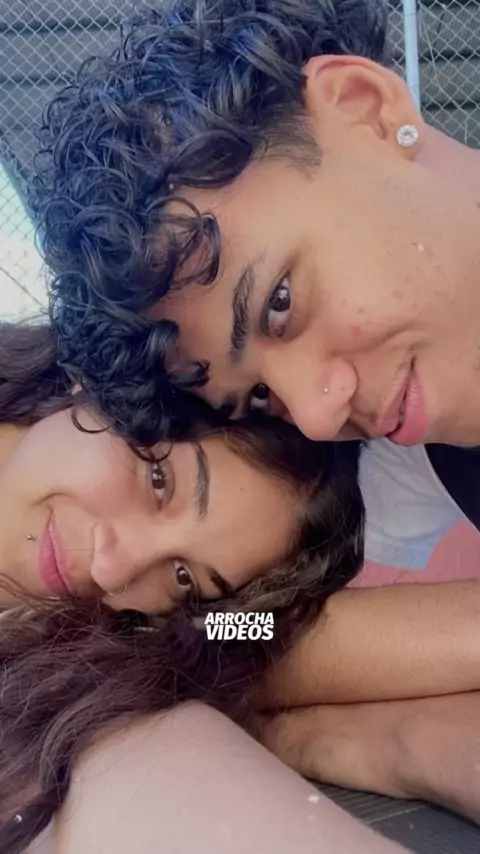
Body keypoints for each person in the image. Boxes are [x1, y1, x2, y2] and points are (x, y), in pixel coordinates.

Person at [28, 0, 480, 826]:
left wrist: (375, 741)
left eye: (279, 302)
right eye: (260, 395)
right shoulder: (403, 442)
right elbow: (269, 631)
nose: (315, 413)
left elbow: (255, 632)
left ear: (364, 105)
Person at [0, 319, 367, 853]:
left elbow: (255, 630)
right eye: (160, 482)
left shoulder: (87, 652)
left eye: (181, 577)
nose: (112, 571)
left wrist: (392, 746)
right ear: (112, 379)